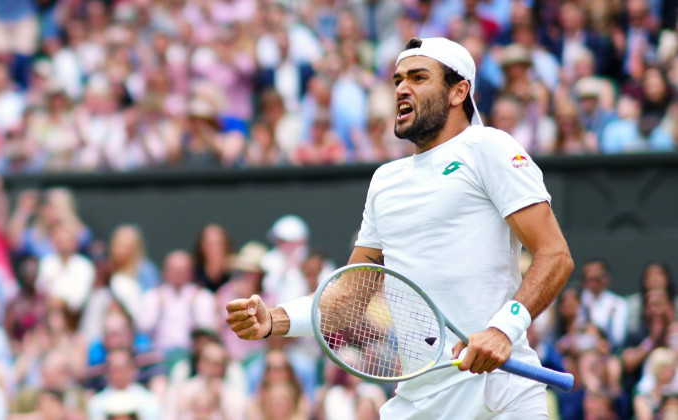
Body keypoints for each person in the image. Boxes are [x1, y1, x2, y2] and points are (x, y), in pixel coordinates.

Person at [227, 36, 574, 418]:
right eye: (397, 81)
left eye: (419, 77)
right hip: (418, 398)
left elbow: (555, 255)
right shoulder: (385, 180)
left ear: (459, 91)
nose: (402, 89)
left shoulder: (487, 147)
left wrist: (504, 329)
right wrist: (274, 319)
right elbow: (348, 298)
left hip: (501, 395)